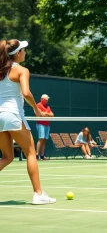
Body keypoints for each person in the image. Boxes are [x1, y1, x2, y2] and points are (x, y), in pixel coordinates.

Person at [0, 39, 56, 204]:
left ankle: (39, 193)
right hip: (13, 115)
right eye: (23, 50)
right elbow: (26, 92)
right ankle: (38, 194)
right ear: (17, 54)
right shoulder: (22, 70)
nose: (25, 52)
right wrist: (36, 109)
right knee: (31, 152)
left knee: (7, 157)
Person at [36, 94, 54, 160]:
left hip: (47, 124)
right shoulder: (38, 105)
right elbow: (40, 114)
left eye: (47, 100)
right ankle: (37, 155)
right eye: (46, 100)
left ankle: (42, 155)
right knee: (41, 139)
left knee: (44, 140)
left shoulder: (47, 107)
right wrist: (46, 114)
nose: (47, 101)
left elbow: (52, 115)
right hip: (40, 124)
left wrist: (46, 114)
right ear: (42, 99)